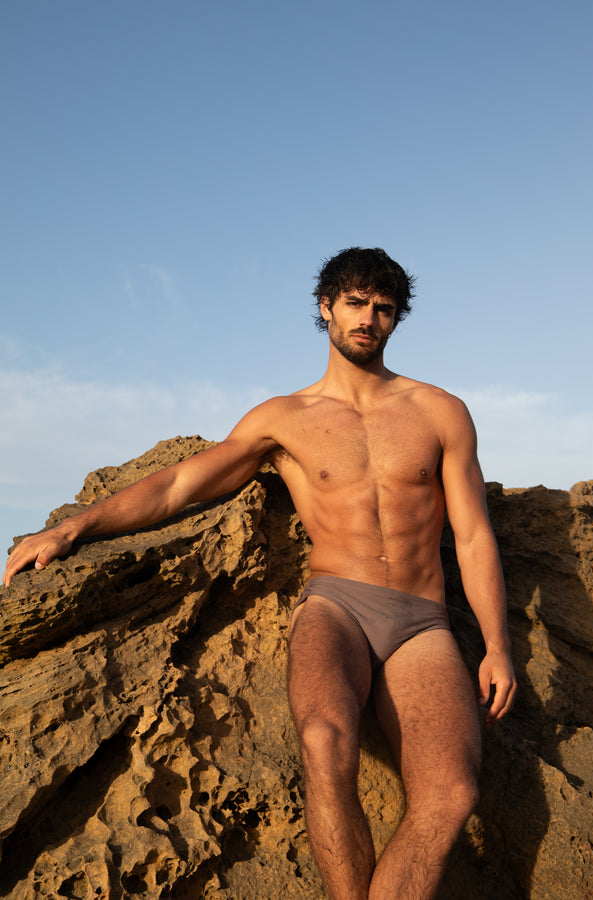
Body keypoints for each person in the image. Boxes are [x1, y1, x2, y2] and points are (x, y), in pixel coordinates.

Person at [2, 247, 517, 899]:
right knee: (325, 740)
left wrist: (497, 645)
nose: (369, 319)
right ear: (326, 307)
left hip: (422, 620)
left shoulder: (440, 411)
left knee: (452, 792)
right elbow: (181, 485)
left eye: (384, 309)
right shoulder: (285, 418)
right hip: (337, 608)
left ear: (396, 320)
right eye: (356, 304)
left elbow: (473, 534)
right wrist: (75, 526)